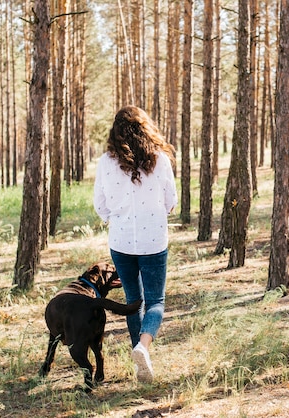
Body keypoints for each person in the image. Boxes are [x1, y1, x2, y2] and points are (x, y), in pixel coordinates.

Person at [93, 105, 177, 383]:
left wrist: (116, 219)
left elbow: (100, 205)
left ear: (115, 133)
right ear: (145, 128)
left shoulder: (106, 161)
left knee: (133, 301)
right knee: (155, 301)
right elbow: (170, 202)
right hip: (154, 240)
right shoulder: (160, 159)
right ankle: (143, 347)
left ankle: (139, 358)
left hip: (121, 241)